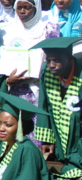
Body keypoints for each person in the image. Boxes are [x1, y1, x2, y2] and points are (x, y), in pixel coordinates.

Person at [3, 0, 59, 121]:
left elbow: (54, 57)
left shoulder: (48, 29)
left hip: (39, 88)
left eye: (26, 7)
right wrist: (8, 80)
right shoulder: (10, 31)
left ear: (36, 8)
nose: (22, 11)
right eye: (19, 8)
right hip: (16, 89)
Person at [33, 37, 82, 169]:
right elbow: (44, 106)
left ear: (70, 59)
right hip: (58, 132)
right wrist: (47, 139)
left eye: (57, 60)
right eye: (48, 60)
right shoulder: (47, 72)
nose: (51, 65)